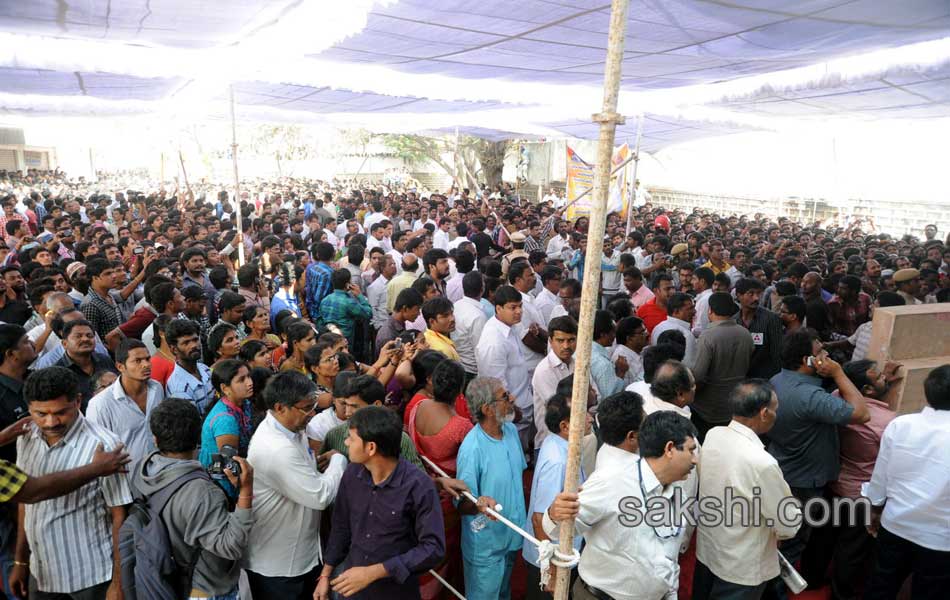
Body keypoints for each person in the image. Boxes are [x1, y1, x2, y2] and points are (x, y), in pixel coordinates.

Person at [544, 401, 699, 600]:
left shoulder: (679, 496)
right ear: (669, 449)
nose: (695, 460)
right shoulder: (612, 482)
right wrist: (555, 512)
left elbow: (669, 560)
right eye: (690, 450)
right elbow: (558, 529)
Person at [12, 367, 132, 600]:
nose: (50, 422)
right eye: (40, 413)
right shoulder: (25, 436)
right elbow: (25, 501)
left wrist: (118, 583)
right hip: (42, 574)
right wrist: (21, 560)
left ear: (77, 401)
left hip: (91, 576)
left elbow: (119, 515)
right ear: (29, 409)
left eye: (60, 412)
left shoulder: (106, 446)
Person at [767, 329, 869, 589]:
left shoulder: (777, 380)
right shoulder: (811, 396)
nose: (827, 355)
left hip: (785, 467)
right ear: (807, 361)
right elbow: (861, 413)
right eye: (821, 352)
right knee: (793, 543)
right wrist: (838, 373)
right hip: (806, 480)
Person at [317, 405, 446, 600]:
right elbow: (340, 529)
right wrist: (325, 575)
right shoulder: (352, 475)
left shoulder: (419, 486)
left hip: (396, 592)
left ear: (371, 448)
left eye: (351, 438)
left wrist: (373, 572)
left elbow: (433, 548)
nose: (346, 442)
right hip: (352, 590)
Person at [131, 398, 254, 600]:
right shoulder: (202, 492)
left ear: (155, 438)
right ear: (198, 435)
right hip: (204, 589)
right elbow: (230, 546)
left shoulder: (142, 470)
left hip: (166, 576)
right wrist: (246, 491)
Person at [694, 380, 801, 600]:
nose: (775, 415)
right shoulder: (762, 462)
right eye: (775, 410)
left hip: (709, 549)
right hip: (741, 566)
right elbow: (788, 522)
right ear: (763, 413)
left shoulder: (714, 434)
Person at [244, 370, 347, 599]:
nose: (312, 414)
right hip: (279, 565)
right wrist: (339, 460)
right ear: (280, 407)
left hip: (303, 553)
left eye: (313, 406)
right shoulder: (276, 448)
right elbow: (320, 496)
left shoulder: (292, 427)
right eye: (306, 408)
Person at [862, 364, 950, 600]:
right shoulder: (900, 424)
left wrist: (875, 509)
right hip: (939, 539)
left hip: (895, 523)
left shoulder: (901, 425)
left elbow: (880, 477)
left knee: (881, 586)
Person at [823, 359, 899, 600]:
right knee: (852, 550)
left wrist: (882, 379)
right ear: (867, 390)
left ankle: (813, 579)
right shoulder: (886, 423)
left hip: (835, 483)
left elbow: (845, 387)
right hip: (862, 494)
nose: (882, 378)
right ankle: (840, 595)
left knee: (825, 538)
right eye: (877, 378)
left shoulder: (836, 397)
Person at [456, 377, 527, 600]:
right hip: (486, 545)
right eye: (505, 397)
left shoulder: (511, 432)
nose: (511, 399)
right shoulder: (472, 448)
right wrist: (479, 504)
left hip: (511, 535)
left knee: (504, 593)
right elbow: (462, 501)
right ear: (487, 409)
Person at [406, 359, 472, 600]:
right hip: (447, 499)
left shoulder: (417, 408)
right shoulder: (460, 426)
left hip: (421, 489)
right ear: (460, 389)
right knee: (445, 550)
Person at [523, 393, 590, 600]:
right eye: (582, 413)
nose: (588, 417)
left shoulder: (555, 443)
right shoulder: (558, 462)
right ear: (565, 426)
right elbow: (539, 518)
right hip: (550, 563)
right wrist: (550, 573)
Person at [86, 338, 165, 463]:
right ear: (120, 366)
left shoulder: (156, 388)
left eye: (147, 359)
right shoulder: (100, 404)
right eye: (137, 361)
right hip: (126, 477)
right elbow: (96, 450)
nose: (146, 364)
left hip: (160, 470)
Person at [322, 375, 425, 469]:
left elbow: (418, 480)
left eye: (354, 406)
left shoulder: (401, 440)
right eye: (346, 405)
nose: (347, 413)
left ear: (376, 405)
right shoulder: (334, 436)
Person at [690, 292, 754, 441]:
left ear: (710, 310)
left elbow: (698, 375)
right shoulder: (745, 334)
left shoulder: (708, 336)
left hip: (708, 407)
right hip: (735, 403)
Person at [476, 285, 533, 452]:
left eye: (520, 306)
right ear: (498, 308)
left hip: (523, 402)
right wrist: (511, 410)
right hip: (513, 412)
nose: (518, 311)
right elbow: (495, 383)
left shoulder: (510, 327)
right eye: (512, 307)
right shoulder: (494, 340)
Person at [199, 359, 255, 501]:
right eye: (241, 380)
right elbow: (230, 467)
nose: (250, 383)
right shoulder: (225, 420)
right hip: (225, 488)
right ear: (225, 388)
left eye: (249, 376)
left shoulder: (244, 403)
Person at [531, 316, 576, 450]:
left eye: (571, 340)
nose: (566, 346)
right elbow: (562, 411)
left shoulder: (577, 363)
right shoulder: (544, 371)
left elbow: (595, 397)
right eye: (560, 341)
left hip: (573, 440)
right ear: (550, 341)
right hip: (551, 444)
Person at [53, 318, 118, 409]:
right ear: (64, 343)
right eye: (78, 336)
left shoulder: (104, 360)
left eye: (89, 335)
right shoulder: (58, 373)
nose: (85, 339)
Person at [734, 277, 784, 379]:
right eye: (751, 294)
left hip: (764, 380)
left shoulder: (771, 319)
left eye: (758, 294)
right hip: (739, 379)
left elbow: (777, 355)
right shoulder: (733, 321)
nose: (756, 298)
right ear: (739, 295)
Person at [165, 319, 215, 415]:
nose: (194, 345)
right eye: (186, 343)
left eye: (195, 340)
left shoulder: (204, 369)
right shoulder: (179, 389)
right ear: (174, 349)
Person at [318, 269, 372, 349]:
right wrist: (360, 295)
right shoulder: (349, 302)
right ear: (347, 285)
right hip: (345, 343)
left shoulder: (325, 300)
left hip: (328, 341)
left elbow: (320, 321)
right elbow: (368, 313)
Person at [452, 272, 488, 381]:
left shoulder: (456, 305)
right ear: (482, 289)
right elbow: (480, 350)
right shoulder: (478, 316)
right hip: (471, 371)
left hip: (460, 365)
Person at [650, 292, 697, 367]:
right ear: (676, 311)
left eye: (694, 307)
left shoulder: (658, 327)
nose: (694, 311)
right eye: (690, 308)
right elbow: (689, 367)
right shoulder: (686, 335)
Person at [590, 310, 627, 398]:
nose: (615, 336)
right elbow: (610, 398)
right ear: (603, 335)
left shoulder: (581, 350)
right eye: (613, 332)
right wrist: (621, 373)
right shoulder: (603, 364)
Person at [612, 316, 647, 387]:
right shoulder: (622, 358)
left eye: (645, 331)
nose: (647, 334)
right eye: (642, 333)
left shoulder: (640, 351)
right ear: (629, 338)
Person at [422, 297, 460, 361]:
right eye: (445, 316)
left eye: (452, 313)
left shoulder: (426, 335)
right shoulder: (443, 350)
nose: (452, 319)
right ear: (432, 321)